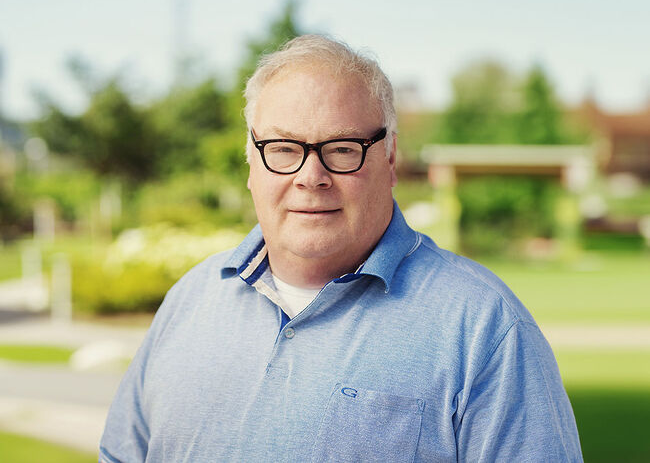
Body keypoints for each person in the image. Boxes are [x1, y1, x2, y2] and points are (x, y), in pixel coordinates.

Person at [99, 35, 582, 462]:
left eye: (343, 148)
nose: (311, 177)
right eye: (284, 149)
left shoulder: (484, 326)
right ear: (251, 162)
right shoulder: (190, 299)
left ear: (390, 157)